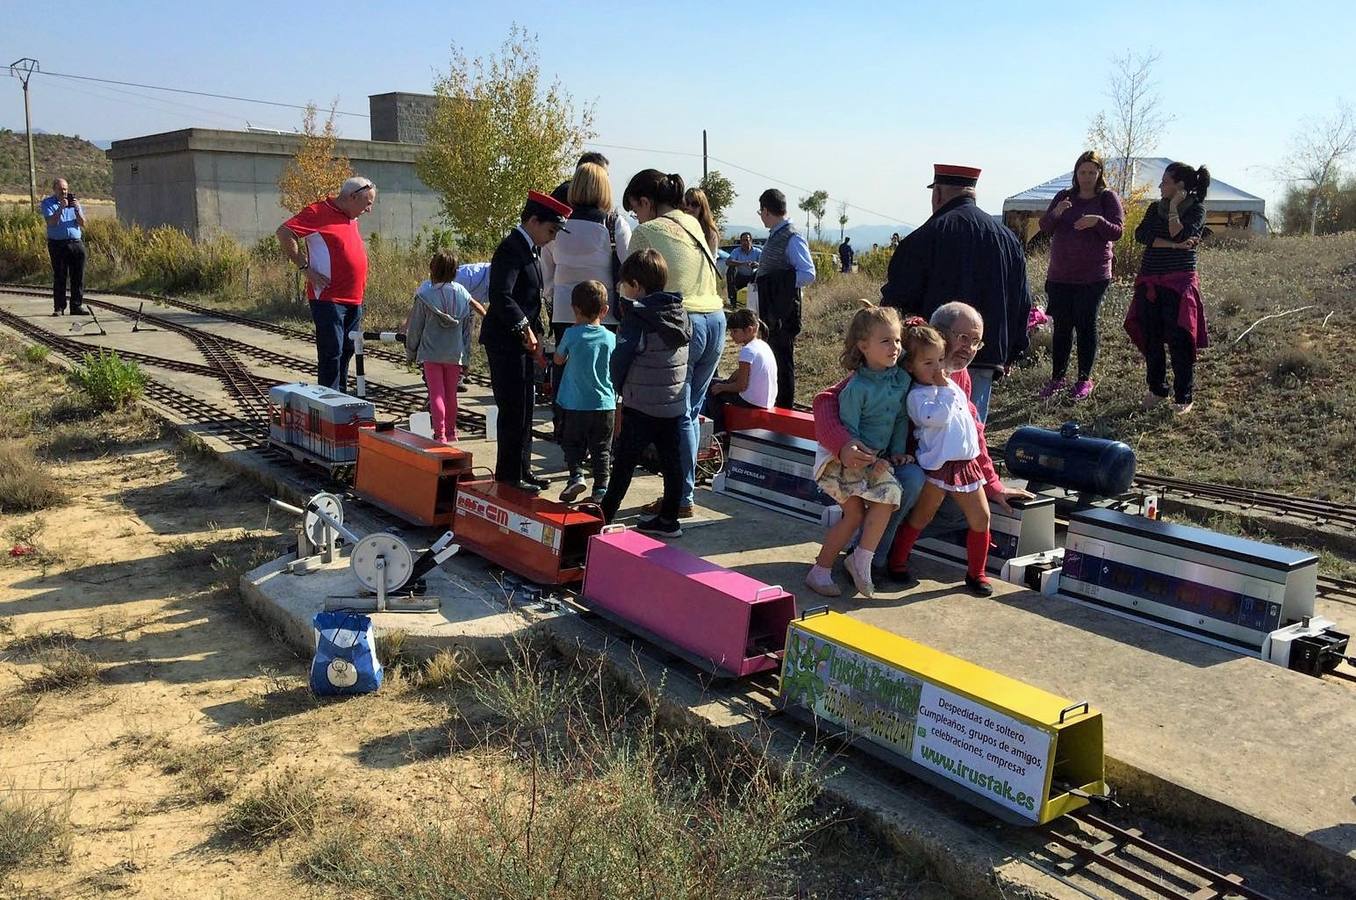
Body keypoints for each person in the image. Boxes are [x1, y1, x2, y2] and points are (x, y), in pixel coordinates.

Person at [814, 301, 1031, 582]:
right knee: (912, 481)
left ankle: (881, 541)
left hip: (938, 467)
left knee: (966, 509)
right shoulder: (903, 363)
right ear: (938, 333)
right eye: (962, 337)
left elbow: (972, 430)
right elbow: (827, 400)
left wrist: (993, 483)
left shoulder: (959, 376)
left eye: (976, 341)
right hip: (893, 463)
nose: (968, 348)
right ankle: (871, 554)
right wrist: (843, 443)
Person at [880, 164, 1031, 422]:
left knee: (927, 439)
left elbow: (895, 306)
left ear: (937, 194)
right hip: (984, 354)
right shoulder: (1007, 239)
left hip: (929, 363)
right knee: (969, 437)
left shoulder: (923, 238)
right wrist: (1012, 352)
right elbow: (1021, 303)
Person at [624, 170, 724, 520]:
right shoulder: (692, 222)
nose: (635, 217)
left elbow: (632, 286)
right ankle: (685, 491)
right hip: (716, 319)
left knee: (679, 414)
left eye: (635, 209)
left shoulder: (647, 232)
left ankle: (679, 499)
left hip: (684, 324)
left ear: (646, 202)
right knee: (691, 412)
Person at [806, 305, 911, 600]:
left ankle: (860, 558)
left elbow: (901, 418)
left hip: (875, 460)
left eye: (898, 340)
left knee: (887, 498)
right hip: (847, 461)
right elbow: (850, 433)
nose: (895, 347)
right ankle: (821, 571)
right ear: (863, 347)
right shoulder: (857, 386)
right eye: (886, 341)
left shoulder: (900, 380)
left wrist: (897, 453)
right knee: (852, 515)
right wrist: (874, 461)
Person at [885, 319, 993, 597]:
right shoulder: (917, 396)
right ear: (911, 367)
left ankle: (976, 573)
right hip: (937, 465)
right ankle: (897, 561)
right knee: (922, 516)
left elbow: (968, 422)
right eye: (928, 363)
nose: (937, 369)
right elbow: (936, 417)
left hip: (966, 465)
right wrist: (944, 388)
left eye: (940, 360)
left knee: (981, 518)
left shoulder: (951, 386)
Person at [482, 190, 572, 491]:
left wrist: (535, 333)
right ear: (534, 220)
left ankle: (522, 468)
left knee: (526, 409)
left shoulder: (530, 248)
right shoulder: (511, 248)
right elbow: (501, 295)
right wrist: (524, 328)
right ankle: (508, 475)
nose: (552, 238)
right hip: (506, 342)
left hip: (523, 343)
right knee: (512, 410)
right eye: (551, 230)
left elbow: (530, 297)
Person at [599, 249, 691, 538]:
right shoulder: (680, 313)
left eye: (626, 284)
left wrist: (614, 387)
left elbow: (622, 358)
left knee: (624, 463)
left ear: (636, 285)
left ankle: (604, 515)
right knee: (672, 464)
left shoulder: (637, 318)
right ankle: (668, 521)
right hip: (674, 405)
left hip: (641, 406)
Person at [1037, 151, 1125, 401]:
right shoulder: (1064, 196)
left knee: (1085, 324)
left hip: (1093, 275)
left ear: (1099, 174)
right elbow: (1045, 227)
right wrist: (1057, 212)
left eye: (1092, 172)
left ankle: (1084, 379)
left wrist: (1097, 221)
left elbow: (1117, 231)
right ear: (1075, 173)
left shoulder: (1107, 198)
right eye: (1082, 172)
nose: (1086, 177)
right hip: (1061, 274)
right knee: (1062, 327)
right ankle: (1057, 379)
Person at [277, 176, 377, 392]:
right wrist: (305, 268)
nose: (369, 210)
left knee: (348, 348)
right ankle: (330, 399)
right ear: (352, 197)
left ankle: (339, 394)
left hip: (354, 298)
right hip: (329, 298)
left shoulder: (351, 217)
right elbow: (285, 233)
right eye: (367, 203)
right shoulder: (317, 212)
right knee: (332, 351)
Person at [1126, 162, 1211, 414]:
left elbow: (1180, 234)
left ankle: (1183, 395)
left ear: (1180, 186)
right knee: (1151, 337)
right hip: (1150, 278)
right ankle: (1157, 388)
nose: (1161, 186)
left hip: (1178, 282)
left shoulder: (1196, 210)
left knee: (1179, 338)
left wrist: (1174, 208)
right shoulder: (1154, 208)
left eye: (1165, 181)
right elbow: (1142, 236)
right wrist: (1174, 246)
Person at [543, 162, 631, 339]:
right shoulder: (614, 224)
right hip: (604, 314)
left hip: (564, 312)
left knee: (567, 365)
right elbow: (630, 266)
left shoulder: (557, 226)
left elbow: (547, 274)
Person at [404, 250, 485, 443]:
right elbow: (467, 330)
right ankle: (451, 432)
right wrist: (466, 357)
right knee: (451, 395)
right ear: (455, 271)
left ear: (433, 269)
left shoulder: (425, 295)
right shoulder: (463, 294)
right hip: (455, 353)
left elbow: (415, 328)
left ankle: (439, 434)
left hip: (432, 354)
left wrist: (411, 351)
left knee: (436, 394)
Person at [554, 280, 617, 504]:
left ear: (575, 309)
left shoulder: (572, 335)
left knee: (572, 443)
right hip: (604, 404)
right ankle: (601, 489)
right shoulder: (611, 338)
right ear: (605, 310)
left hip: (574, 404)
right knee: (602, 449)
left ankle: (576, 476)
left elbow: (558, 360)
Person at [755, 188, 816, 408]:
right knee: (774, 361)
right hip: (771, 312)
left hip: (783, 313)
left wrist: (779, 282)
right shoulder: (777, 233)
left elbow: (808, 273)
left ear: (766, 210)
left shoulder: (792, 236)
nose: (760, 216)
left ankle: (785, 409)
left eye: (760, 211)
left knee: (783, 362)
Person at [705, 308, 776, 432]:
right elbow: (740, 372)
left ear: (749, 330)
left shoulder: (747, 350)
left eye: (735, 331)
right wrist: (726, 382)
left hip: (752, 401)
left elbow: (741, 386)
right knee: (717, 382)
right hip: (768, 399)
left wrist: (722, 387)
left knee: (712, 391)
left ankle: (719, 431)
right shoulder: (762, 345)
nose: (731, 335)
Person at [41, 178, 87, 316]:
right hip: (58, 244)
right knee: (60, 275)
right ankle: (59, 307)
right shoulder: (48, 203)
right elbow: (51, 222)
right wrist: (61, 207)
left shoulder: (75, 204)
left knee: (78, 276)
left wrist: (77, 209)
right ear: (54, 189)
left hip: (76, 242)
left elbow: (83, 223)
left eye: (66, 189)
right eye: (61, 189)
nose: (64, 192)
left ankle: (76, 306)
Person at [453, 261, 492, 391]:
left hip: (468, 308)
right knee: (457, 340)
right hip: (453, 307)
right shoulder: (469, 276)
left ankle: (464, 372)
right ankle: (456, 377)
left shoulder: (498, 276)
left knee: (466, 338)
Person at [683, 187, 721, 254]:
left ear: (702, 208)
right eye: (687, 202)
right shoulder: (677, 226)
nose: (689, 207)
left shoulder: (710, 232)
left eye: (694, 204)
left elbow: (712, 259)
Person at [726, 232, 760, 304]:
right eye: (743, 240)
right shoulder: (736, 251)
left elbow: (764, 263)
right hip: (740, 276)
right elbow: (728, 262)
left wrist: (757, 264)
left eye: (747, 240)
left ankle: (758, 302)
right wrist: (743, 263)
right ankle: (733, 299)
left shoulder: (757, 252)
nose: (745, 242)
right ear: (740, 241)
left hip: (754, 277)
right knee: (731, 269)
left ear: (751, 241)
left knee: (760, 272)